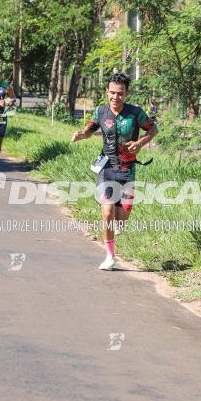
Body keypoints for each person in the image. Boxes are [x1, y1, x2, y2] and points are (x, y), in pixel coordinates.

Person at [71, 73, 157, 270]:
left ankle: (121, 222)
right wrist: (80, 135)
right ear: (106, 92)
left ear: (126, 94)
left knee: (122, 217)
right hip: (106, 168)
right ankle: (110, 256)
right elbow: (89, 130)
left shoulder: (135, 113)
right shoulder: (100, 112)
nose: (115, 97)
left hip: (127, 169)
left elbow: (153, 130)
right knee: (107, 212)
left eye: (120, 94)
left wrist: (140, 143)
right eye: (112, 93)